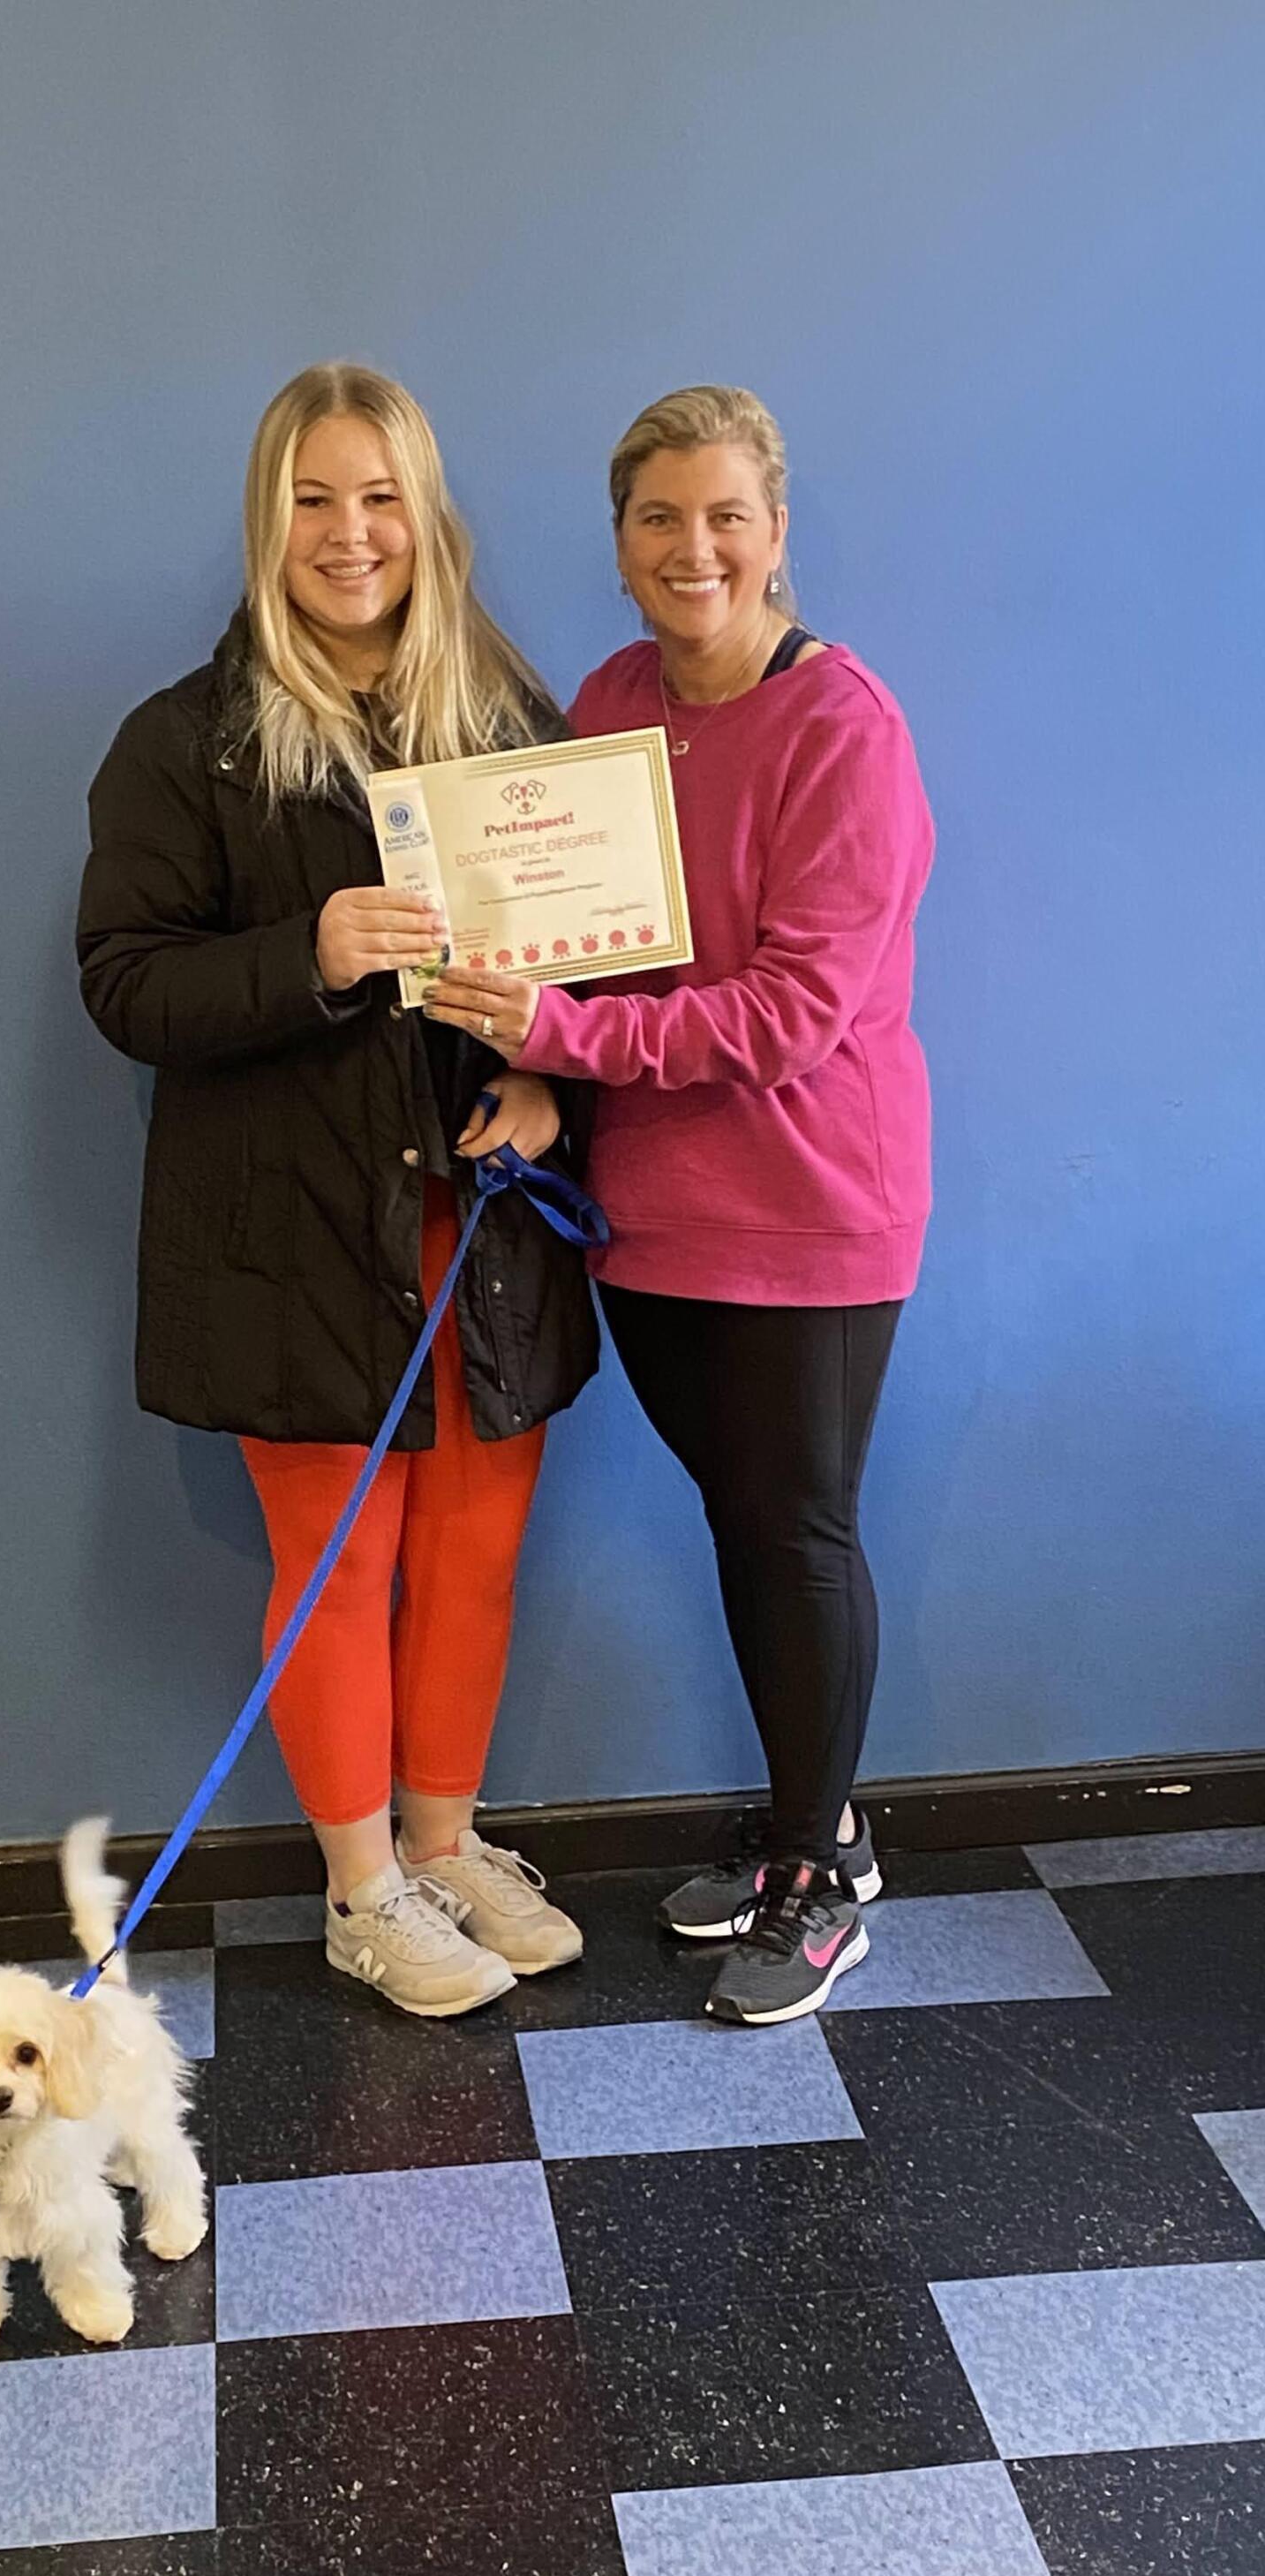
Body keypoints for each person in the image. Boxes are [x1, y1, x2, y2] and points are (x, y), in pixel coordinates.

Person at [76, 363, 597, 2017]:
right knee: (336, 1565)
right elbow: (127, 985)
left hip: (480, 1222)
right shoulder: (187, 741)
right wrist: (302, 957)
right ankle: (360, 1886)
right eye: (314, 498)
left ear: (425, 514)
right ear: (267, 518)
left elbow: (592, 960)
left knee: (475, 1550)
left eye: (379, 497)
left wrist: (546, 1083)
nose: (350, 533)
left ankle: (444, 1848)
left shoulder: (510, 720)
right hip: (290, 1234)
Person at [426, 384, 934, 2025]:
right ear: (622, 542)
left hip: (811, 1209)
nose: (693, 547)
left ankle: (821, 1874)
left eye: (726, 516)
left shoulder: (844, 727)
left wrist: (558, 1035)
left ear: (778, 532)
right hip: (653, 1210)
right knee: (744, 1520)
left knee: (795, 1530)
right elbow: (598, 945)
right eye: (659, 519)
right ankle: (819, 1835)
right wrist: (551, 1077)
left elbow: (797, 1011)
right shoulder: (614, 698)